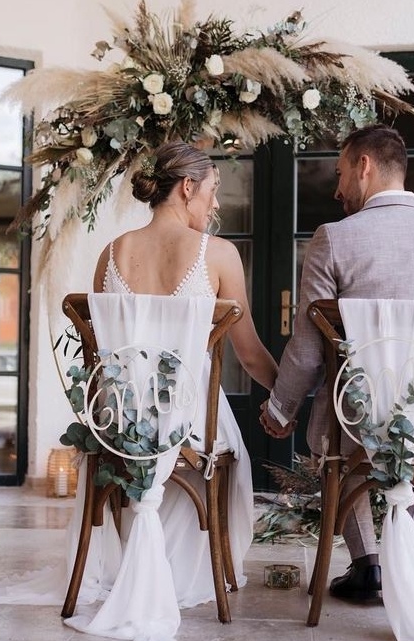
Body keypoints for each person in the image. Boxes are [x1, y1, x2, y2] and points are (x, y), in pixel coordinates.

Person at [259, 124, 414, 603]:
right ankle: (408, 559)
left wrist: (280, 409)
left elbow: (308, 348)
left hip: (355, 424)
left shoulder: (334, 239)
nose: (337, 189)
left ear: (364, 166)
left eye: (340, 173)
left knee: (343, 423)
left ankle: (369, 564)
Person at [93, 139, 278, 606]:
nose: (215, 204)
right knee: (232, 452)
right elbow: (250, 354)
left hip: (120, 422)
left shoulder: (111, 253)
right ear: (188, 187)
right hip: (189, 422)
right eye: (213, 191)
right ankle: (192, 569)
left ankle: (132, 562)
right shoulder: (219, 254)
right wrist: (286, 399)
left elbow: (100, 357)